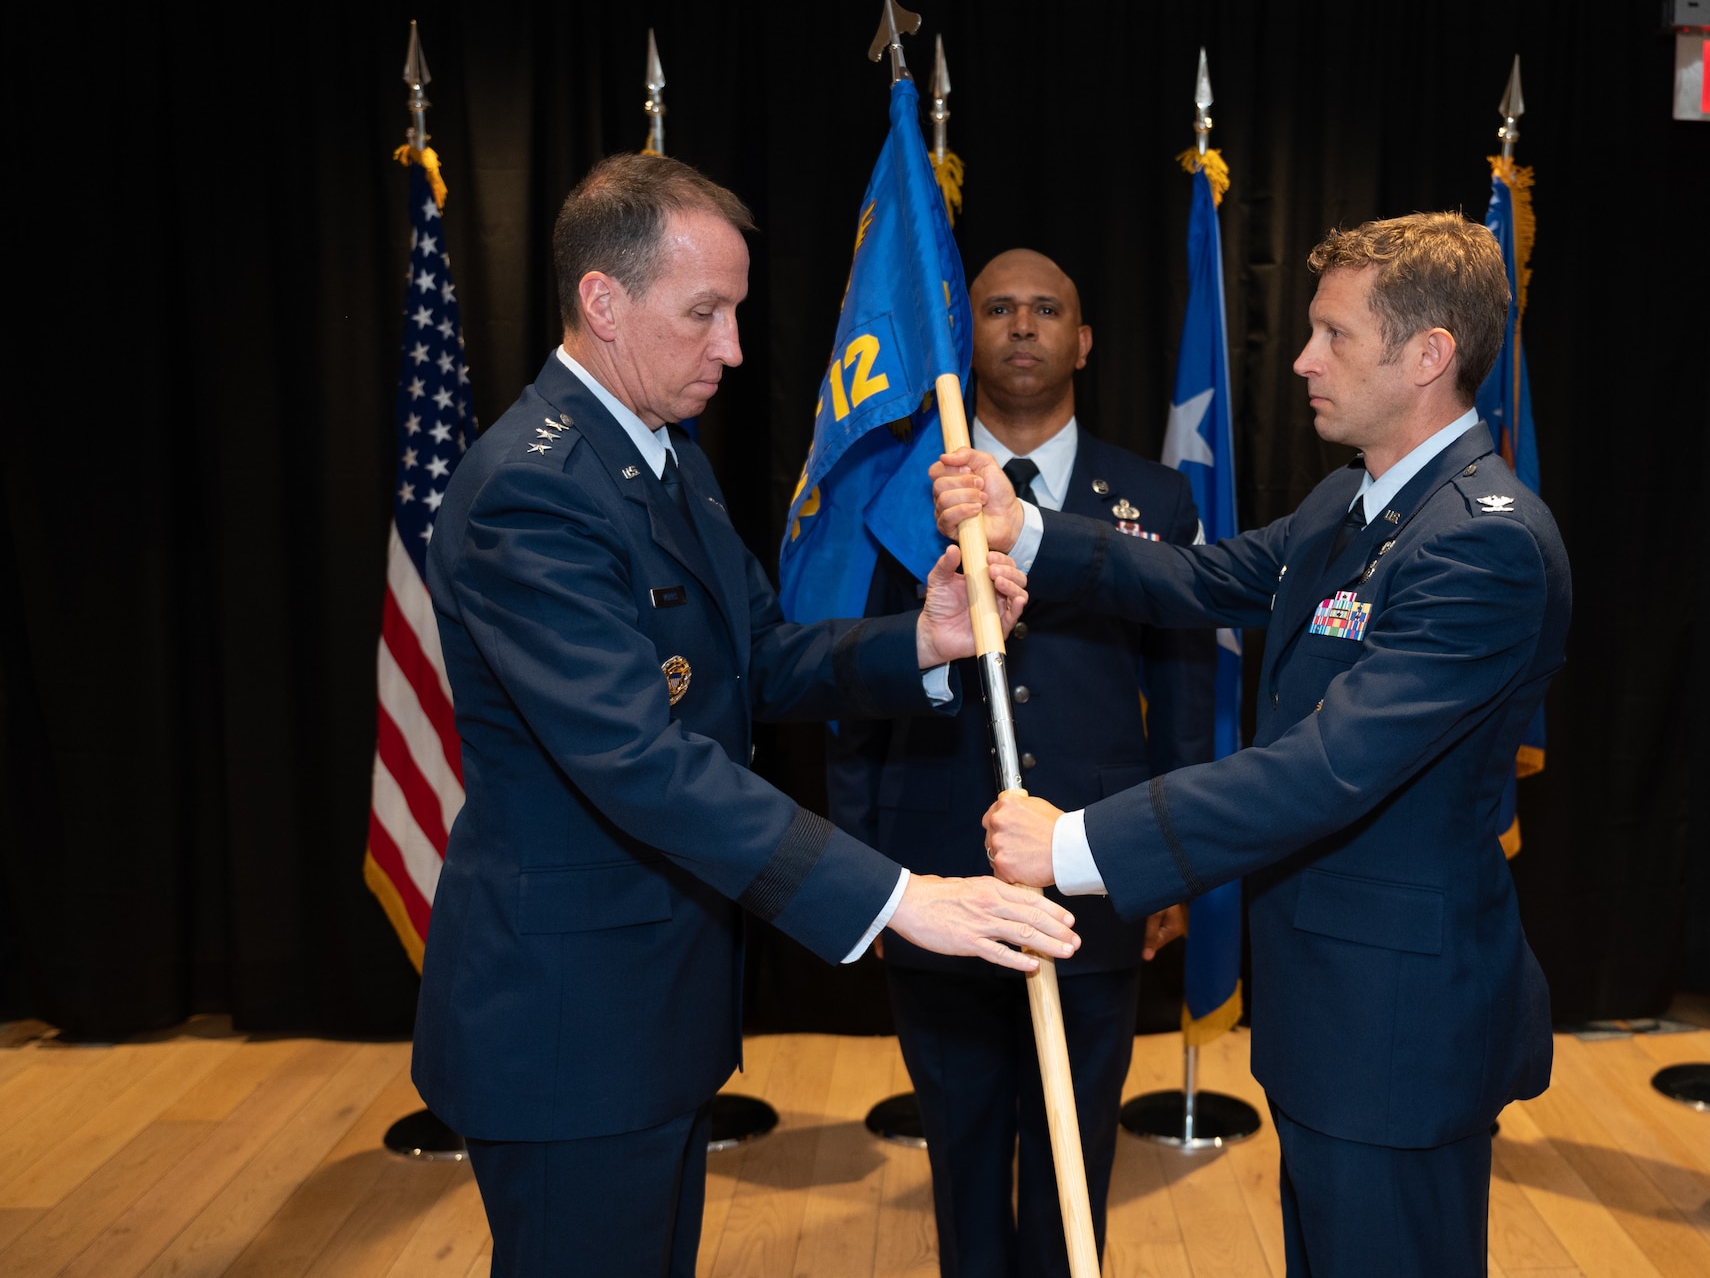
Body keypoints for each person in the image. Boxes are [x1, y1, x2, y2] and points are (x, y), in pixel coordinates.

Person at [413, 154, 1081, 1278]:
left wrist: (920, 640)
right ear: (602, 302)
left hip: (648, 1009)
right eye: (704, 314)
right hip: (569, 1023)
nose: (731, 347)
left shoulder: (662, 457)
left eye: (734, 312)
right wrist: (897, 896)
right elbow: (641, 760)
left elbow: (754, 659)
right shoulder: (533, 491)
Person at [937, 212, 1571, 1276]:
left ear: (1426, 356)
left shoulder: (1482, 543)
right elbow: (1196, 579)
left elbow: (1325, 767)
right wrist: (1023, 527)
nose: (1300, 360)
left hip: (1397, 1026)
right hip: (1331, 1009)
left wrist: (1077, 847)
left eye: (1332, 336)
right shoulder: (1351, 501)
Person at [828, 249, 1212, 1277]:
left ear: (1083, 340)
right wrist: (861, 865)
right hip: (933, 867)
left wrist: (1166, 862)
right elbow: (858, 689)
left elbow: (1182, 692)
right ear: (970, 338)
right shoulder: (899, 498)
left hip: (1094, 875)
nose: (1023, 326)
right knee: (957, 1147)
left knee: (1074, 1149)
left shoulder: (1151, 497)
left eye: (1048, 309)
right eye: (997, 308)